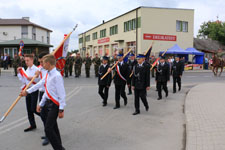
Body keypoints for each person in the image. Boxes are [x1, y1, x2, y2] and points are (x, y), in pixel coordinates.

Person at [23, 54, 66, 150]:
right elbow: (45, 90)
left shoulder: (57, 76)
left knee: (48, 128)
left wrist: (61, 109)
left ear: (48, 63)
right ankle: (59, 145)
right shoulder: (48, 74)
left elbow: (62, 94)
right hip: (48, 102)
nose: (41, 65)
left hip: (55, 104)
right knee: (54, 127)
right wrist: (40, 103)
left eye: (43, 63)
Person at [20, 52, 50, 146]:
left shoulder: (49, 71)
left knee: (45, 115)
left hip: (47, 94)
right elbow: (40, 83)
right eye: (40, 62)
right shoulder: (41, 68)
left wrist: (61, 107)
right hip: (42, 92)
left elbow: (41, 82)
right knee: (44, 114)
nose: (40, 64)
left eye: (42, 62)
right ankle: (49, 133)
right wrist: (27, 91)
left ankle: (50, 135)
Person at [17, 54, 41, 132]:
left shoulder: (36, 69)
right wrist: (19, 73)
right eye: (25, 60)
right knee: (29, 109)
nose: (26, 62)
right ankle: (32, 125)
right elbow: (24, 81)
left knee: (33, 109)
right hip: (27, 90)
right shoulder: (26, 70)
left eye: (28, 60)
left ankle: (45, 117)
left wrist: (32, 78)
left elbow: (39, 81)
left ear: (32, 60)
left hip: (34, 90)